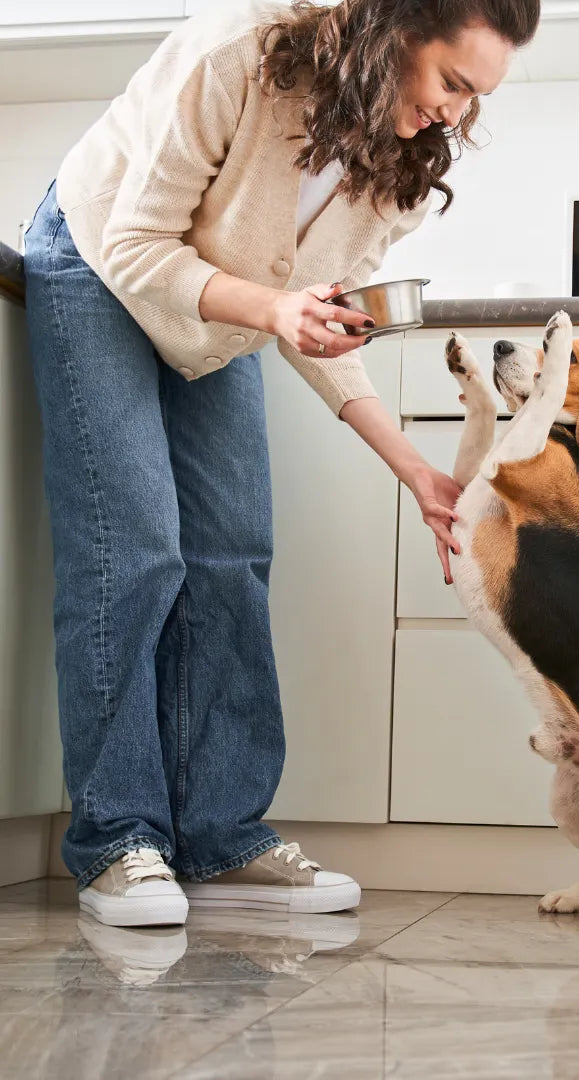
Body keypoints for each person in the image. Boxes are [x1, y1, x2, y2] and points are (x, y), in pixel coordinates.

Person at [21, 0, 539, 928]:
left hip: (216, 311)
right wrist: (272, 310)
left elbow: (324, 325)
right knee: (134, 549)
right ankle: (118, 842)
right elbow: (140, 246)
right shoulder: (242, 53)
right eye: (451, 83)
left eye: (476, 98)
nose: (456, 115)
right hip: (99, 261)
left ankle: (220, 836)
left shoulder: (404, 167)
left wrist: (415, 470)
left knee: (234, 554)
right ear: (393, 32)